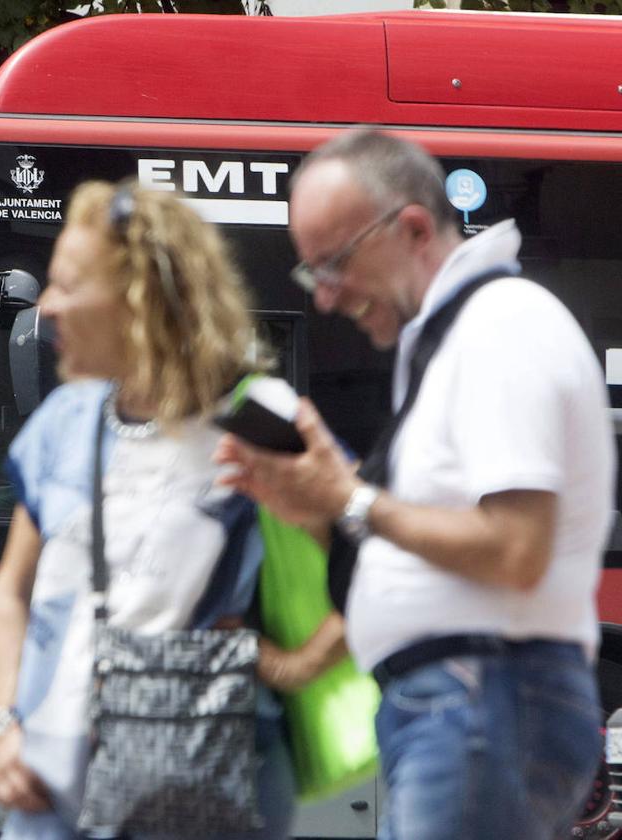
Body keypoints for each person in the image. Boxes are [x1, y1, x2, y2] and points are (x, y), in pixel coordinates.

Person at [216, 129, 613, 840]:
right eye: (313, 276)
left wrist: (349, 499)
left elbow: (517, 548)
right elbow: (430, 535)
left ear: (413, 229)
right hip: (462, 703)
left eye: (332, 265)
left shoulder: (499, 327)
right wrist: (316, 507)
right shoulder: (453, 341)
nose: (328, 299)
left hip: (478, 700)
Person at [0, 181, 337, 840]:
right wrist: (5, 729)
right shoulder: (63, 422)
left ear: (137, 300)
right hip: (47, 797)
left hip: (194, 789)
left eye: (66, 285)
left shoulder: (259, 421)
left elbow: (369, 558)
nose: (47, 309)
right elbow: (11, 591)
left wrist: (297, 664)